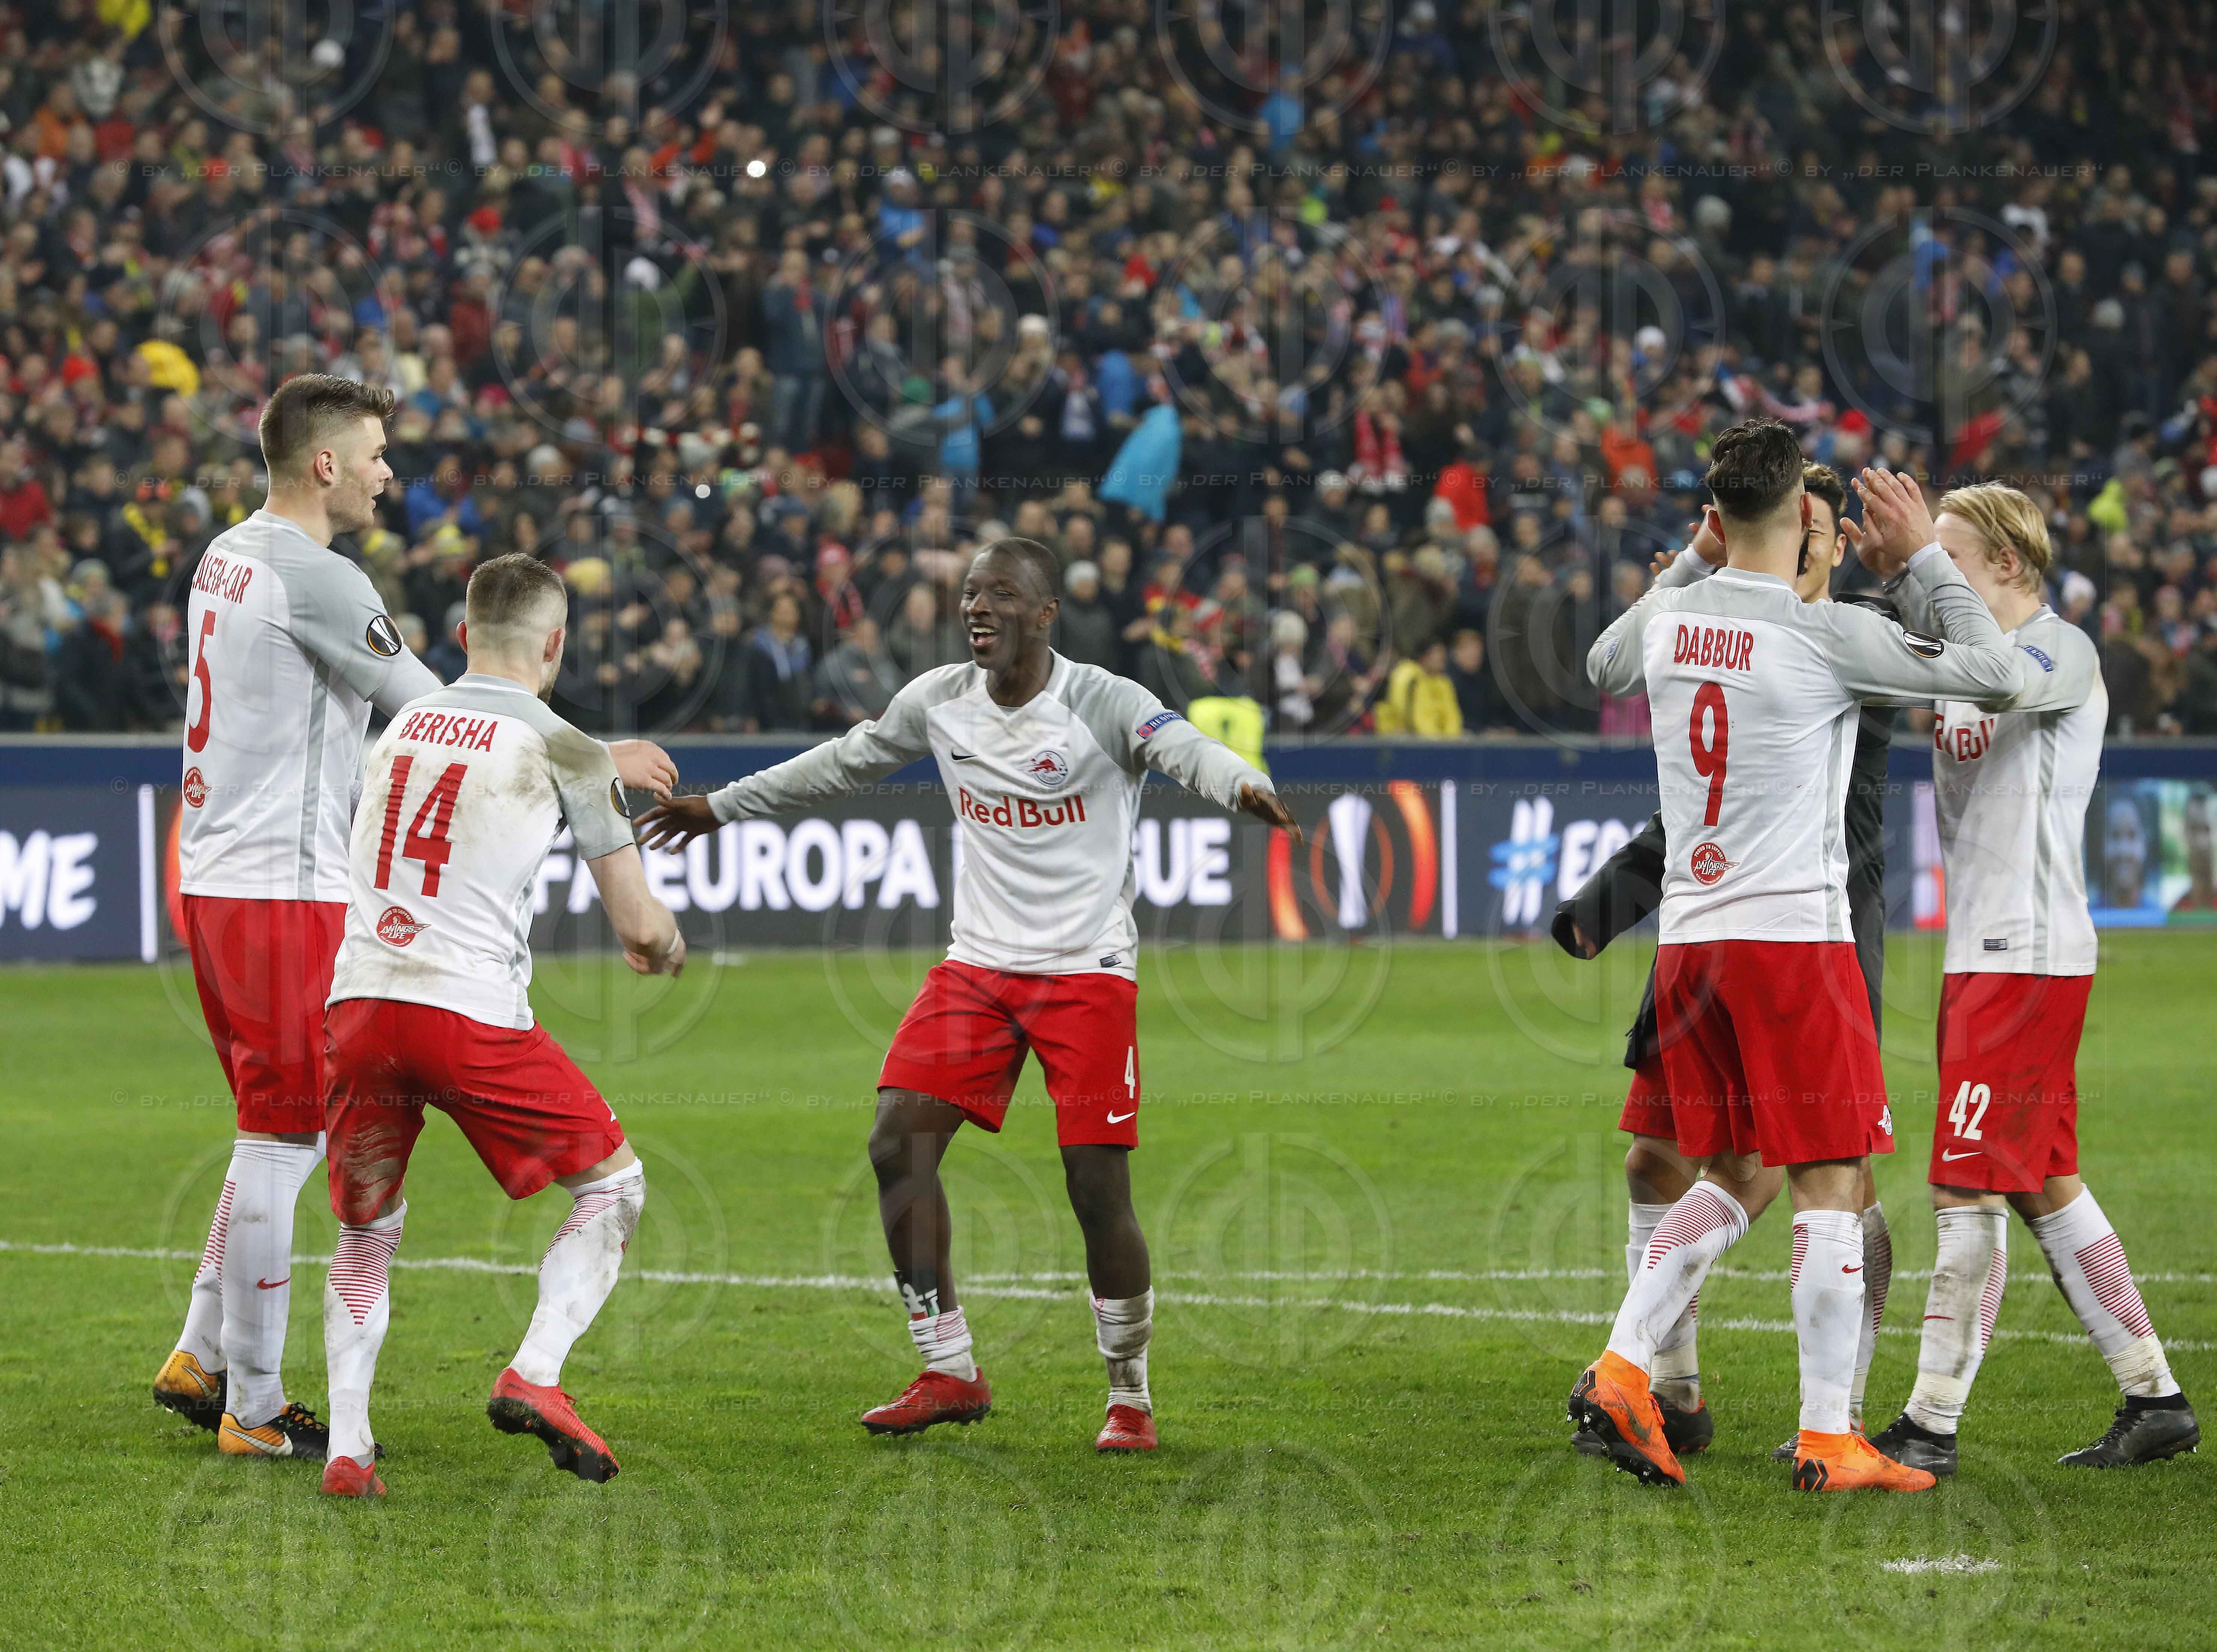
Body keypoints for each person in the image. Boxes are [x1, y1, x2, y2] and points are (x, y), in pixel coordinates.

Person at [636, 538, 1299, 1453]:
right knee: (896, 1140)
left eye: (999, 595)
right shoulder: (939, 700)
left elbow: (1177, 746)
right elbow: (845, 759)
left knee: (1094, 1186)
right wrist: (720, 808)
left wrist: (1240, 784)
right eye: (969, 596)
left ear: (1043, 613)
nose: (976, 609)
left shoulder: (1103, 700)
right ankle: (948, 1369)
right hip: (979, 968)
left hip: (1084, 971)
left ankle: (1130, 1396)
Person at [152, 374, 674, 1463]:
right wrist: (588, 753)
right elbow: (445, 709)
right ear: (327, 463)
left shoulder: (225, 552)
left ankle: (202, 1349)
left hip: (208, 860)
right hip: (279, 883)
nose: (393, 473)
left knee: (274, 1117)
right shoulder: (322, 577)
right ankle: (249, 1400)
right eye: (379, 453)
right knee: (281, 1132)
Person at [1577, 418, 2030, 1493]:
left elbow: (1600, 661)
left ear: (1712, 514)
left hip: (1689, 943)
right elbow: (1998, 674)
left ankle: (1623, 1366)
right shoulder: (1822, 634)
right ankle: (1826, 1433)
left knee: (1736, 1170)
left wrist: (1689, 559)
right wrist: (1921, 557)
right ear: (1795, 518)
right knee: (1828, 1172)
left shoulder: (1670, 619)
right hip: (1790, 942)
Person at [317, 554, 687, 1498]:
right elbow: (638, 924)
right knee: (615, 1189)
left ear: (460, 637)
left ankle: (349, 1451)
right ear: (557, 645)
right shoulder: (566, 746)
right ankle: (537, 1370)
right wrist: (667, 947)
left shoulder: (400, 725)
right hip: (466, 1014)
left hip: (359, 1004)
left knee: (366, 1233)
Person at [1554, 468, 1903, 1464]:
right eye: (1791, 528)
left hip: (1812, 942)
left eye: (1817, 534)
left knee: (1792, 1168)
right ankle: (1672, 1385)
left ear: (1834, 549)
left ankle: (1831, 1407)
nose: (1799, 548)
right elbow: (1693, 808)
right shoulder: (1722, 638)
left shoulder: (1846, 645)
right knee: (1656, 1159)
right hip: (1715, 942)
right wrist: (1608, 904)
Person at [1867, 483, 2200, 1474]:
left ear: (2006, 564)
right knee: (2042, 1182)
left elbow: (2010, 683)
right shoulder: (1959, 660)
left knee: (1960, 1186)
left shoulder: (2064, 650)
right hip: (1986, 952)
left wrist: (1919, 568)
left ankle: (1928, 1422)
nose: (1941, 584)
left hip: (2025, 952)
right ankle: (2152, 1393)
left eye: (1955, 561)